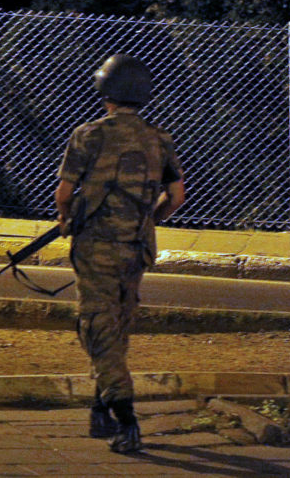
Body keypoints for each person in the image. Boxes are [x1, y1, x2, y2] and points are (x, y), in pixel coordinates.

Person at [55, 55, 185, 453]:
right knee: (119, 323)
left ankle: (126, 420)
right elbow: (177, 196)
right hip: (136, 247)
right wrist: (149, 220)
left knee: (96, 327)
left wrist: (66, 219)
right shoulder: (159, 138)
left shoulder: (88, 135)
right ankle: (100, 409)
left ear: (105, 92)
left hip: (96, 247)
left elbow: (63, 194)